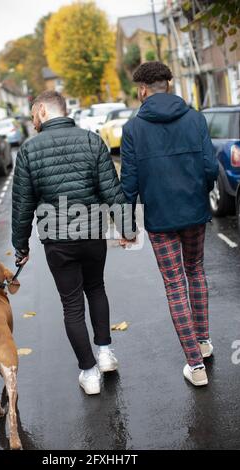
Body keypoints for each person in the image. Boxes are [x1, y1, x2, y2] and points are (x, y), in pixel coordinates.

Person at [12, 91, 134, 395]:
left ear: (41, 111)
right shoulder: (92, 140)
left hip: (57, 239)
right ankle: (105, 353)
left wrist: (21, 246)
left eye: (32, 115)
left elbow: (22, 204)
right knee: (96, 288)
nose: (32, 121)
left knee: (72, 304)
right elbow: (111, 188)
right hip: (92, 232)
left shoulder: (29, 150)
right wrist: (127, 227)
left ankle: (89, 373)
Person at [120, 62, 219, 387]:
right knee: (196, 272)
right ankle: (203, 342)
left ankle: (195, 365)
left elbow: (129, 182)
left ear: (143, 90)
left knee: (175, 284)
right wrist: (198, 196)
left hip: (160, 219)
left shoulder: (134, 129)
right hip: (194, 211)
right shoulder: (195, 118)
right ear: (169, 84)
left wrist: (126, 226)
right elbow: (210, 169)